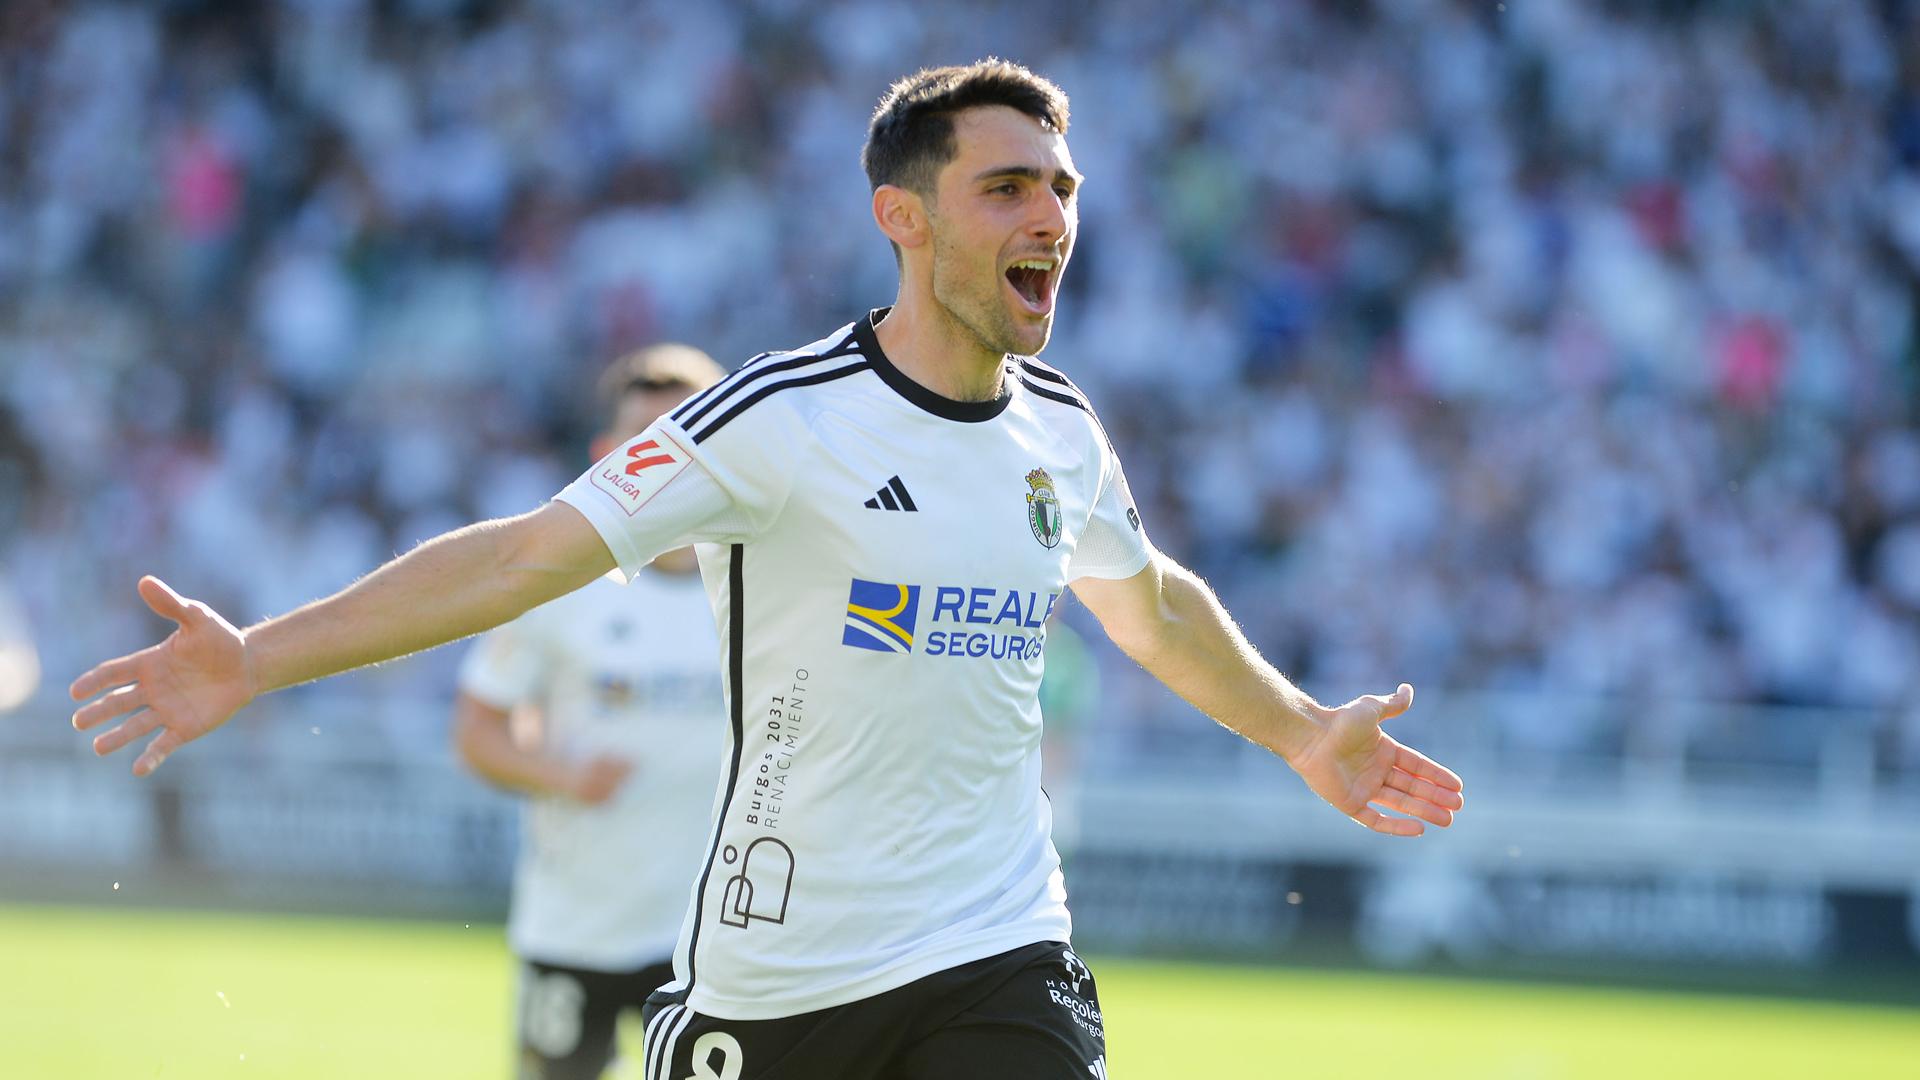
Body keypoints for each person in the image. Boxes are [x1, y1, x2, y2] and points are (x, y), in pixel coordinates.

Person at [71, 60, 1465, 1079]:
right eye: (1005, 187)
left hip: (1000, 951)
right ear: (901, 218)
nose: (1049, 215)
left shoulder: (1065, 433)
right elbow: (524, 557)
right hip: (780, 980)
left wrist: (1296, 730)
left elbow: (1146, 601)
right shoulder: (780, 419)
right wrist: (259, 655)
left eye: (1060, 187)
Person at [452, 345, 728, 1080]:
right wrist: (562, 775)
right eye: (647, 441)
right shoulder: (561, 587)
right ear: (607, 456)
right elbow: (477, 728)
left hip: (720, 942)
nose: (667, 461)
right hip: (577, 927)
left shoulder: (765, 586)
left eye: (687, 438)